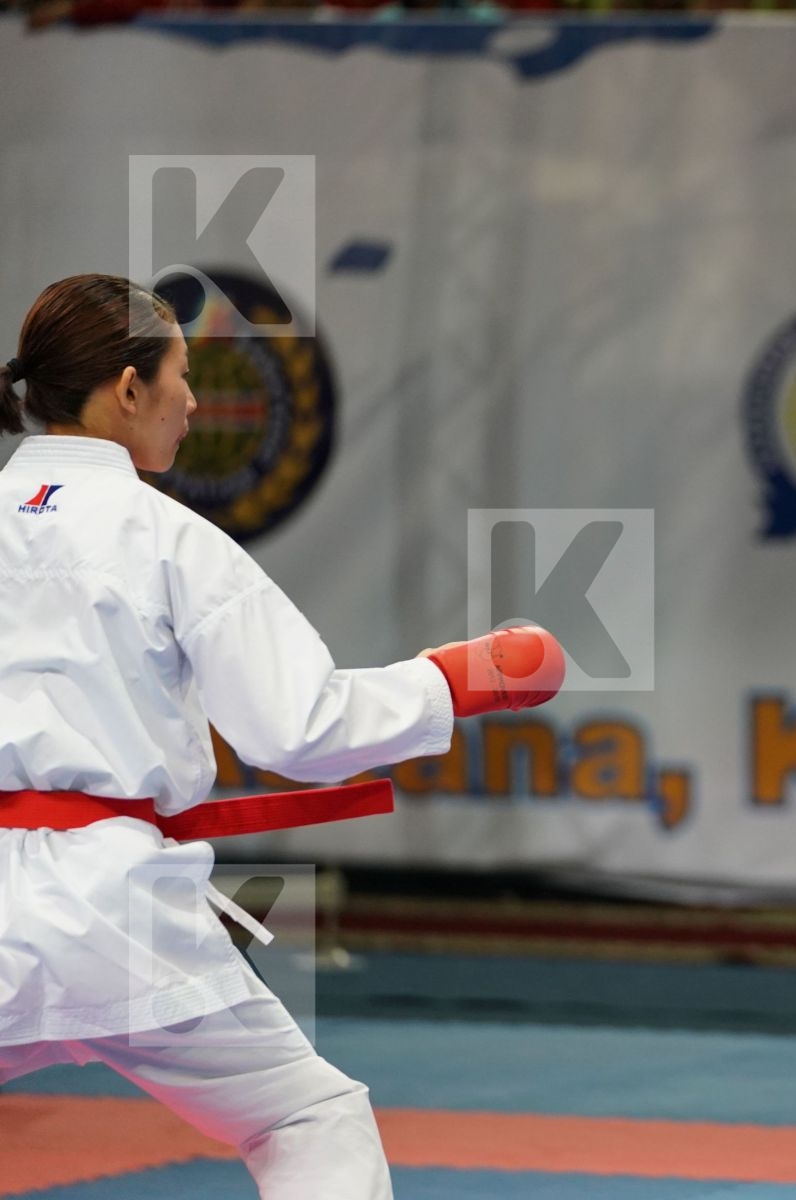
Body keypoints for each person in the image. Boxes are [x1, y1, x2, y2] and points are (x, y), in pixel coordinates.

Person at [0, 274, 563, 1199]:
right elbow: (296, 726)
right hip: (118, 911)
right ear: (128, 389)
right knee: (307, 1120)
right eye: (182, 373)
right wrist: (455, 681)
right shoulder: (165, 537)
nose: (193, 399)